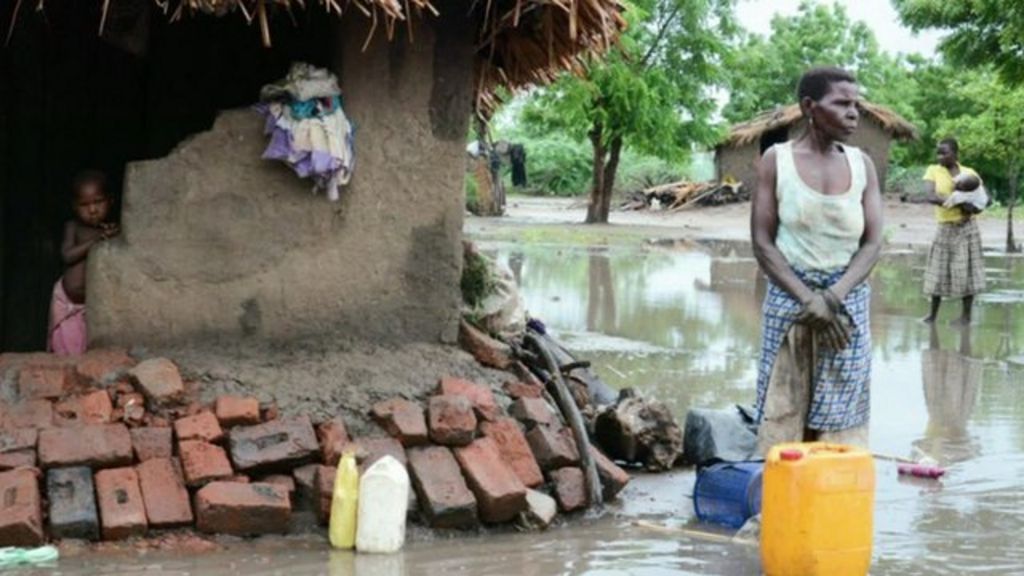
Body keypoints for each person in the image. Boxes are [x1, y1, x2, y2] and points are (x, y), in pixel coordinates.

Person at [750, 67, 884, 453]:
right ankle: (779, 503)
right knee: (783, 407)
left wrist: (832, 299)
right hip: (791, 303)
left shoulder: (863, 165)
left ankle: (832, 503)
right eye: (841, 103)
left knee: (843, 418)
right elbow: (763, 242)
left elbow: (872, 243)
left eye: (856, 104)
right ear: (809, 106)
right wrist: (809, 300)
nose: (853, 112)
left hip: (846, 306)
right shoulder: (777, 161)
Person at [49, 171, 119, 355]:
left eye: (98, 202)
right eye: (84, 205)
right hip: (66, 302)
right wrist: (95, 240)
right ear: (74, 206)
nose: (92, 210)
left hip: (90, 307)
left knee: (85, 349)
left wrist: (109, 235)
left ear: (110, 201)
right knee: (66, 350)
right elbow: (67, 255)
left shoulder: (112, 230)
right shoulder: (73, 227)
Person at [921, 138, 986, 326]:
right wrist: (959, 203)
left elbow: (983, 200)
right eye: (938, 153)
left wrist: (971, 207)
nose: (939, 156)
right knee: (937, 270)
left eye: (944, 152)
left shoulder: (969, 173)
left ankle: (966, 317)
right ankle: (932, 315)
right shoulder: (933, 171)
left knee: (967, 271)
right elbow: (930, 196)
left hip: (968, 228)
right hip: (945, 227)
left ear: (956, 154)